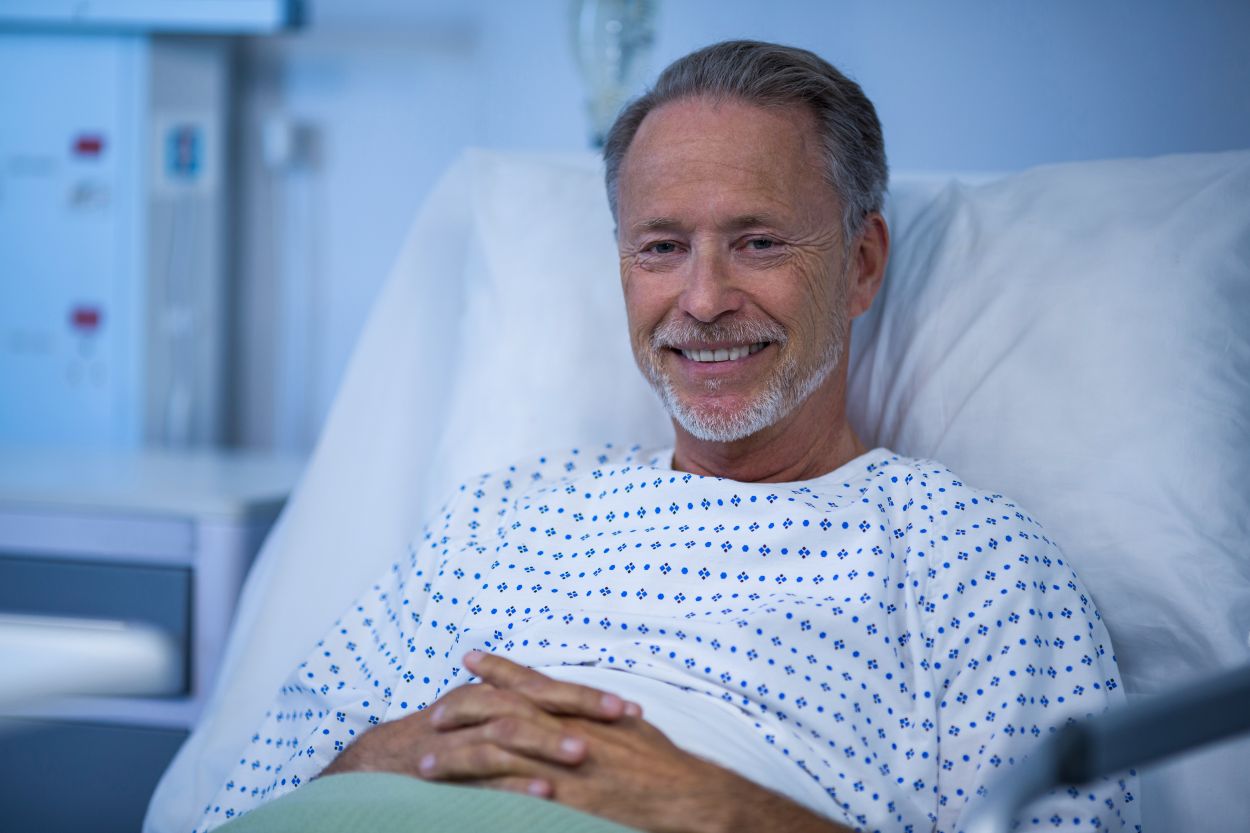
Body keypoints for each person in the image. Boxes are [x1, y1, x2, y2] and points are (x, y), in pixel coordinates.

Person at [196, 41, 1140, 833]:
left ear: (860, 265)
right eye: (660, 247)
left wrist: (721, 811)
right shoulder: (503, 515)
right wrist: (375, 757)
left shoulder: (971, 560)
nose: (701, 299)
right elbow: (234, 804)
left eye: (759, 241)